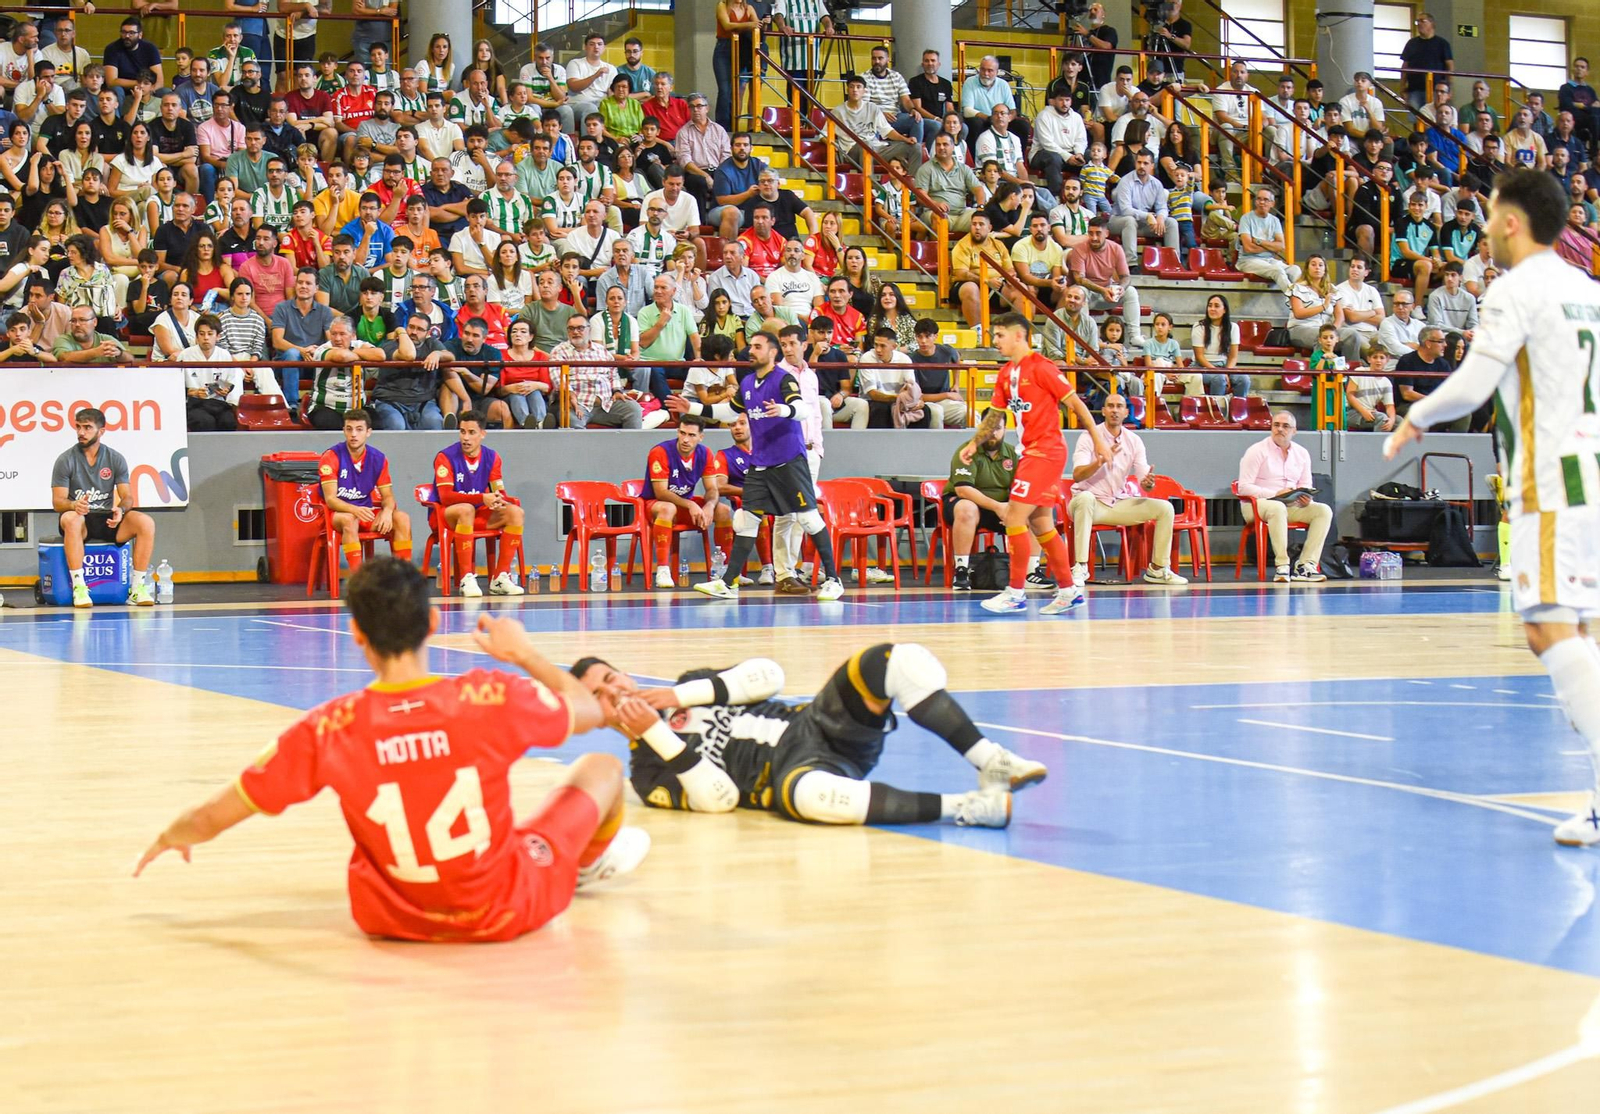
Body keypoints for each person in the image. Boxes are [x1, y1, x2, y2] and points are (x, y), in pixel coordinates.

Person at [136, 558, 647, 938]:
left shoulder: (329, 727)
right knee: (601, 767)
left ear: (357, 633)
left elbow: (210, 818)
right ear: (432, 624)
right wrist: (523, 651)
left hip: (392, 920)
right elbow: (586, 707)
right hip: (505, 909)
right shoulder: (489, 695)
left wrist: (170, 835)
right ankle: (583, 868)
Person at [1379, 169, 1600, 845]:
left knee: (1546, 628)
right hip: (1590, 470)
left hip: (1553, 481)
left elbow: (1474, 384)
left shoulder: (1516, 288)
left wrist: (1415, 414)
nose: (1481, 228)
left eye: (1488, 214)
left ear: (1510, 220)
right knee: (1582, 633)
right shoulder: (1587, 291)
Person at [574, 644, 1034, 828]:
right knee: (808, 798)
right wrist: (655, 733)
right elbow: (720, 799)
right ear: (594, 713)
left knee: (886, 662)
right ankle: (970, 807)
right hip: (796, 774)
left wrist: (681, 694)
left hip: (817, 724)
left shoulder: (689, 685)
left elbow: (770, 674)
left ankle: (991, 759)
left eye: (612, 677)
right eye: (599, 692)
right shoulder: (647, 773)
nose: (614, 690)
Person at [665, 331, 846, 602]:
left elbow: (803, 409)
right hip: (760, 465)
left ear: (772, 353)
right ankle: (728, 583)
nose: (751, 350)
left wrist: (784, 410)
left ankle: (833, 579)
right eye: (751, 346)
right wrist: (691, 406)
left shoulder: (784, 379)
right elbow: (730, 411)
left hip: (789, 462)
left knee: (808, 518)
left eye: (758, 347)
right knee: (746, 521)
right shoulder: (748, 382)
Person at [962, 313, 1110, 615]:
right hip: (1029, 452)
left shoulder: (1042, 368)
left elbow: (1077, 404)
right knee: (1041, 523)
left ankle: (1015, 593)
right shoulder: (1006, 374)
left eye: (1000, 335)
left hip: (1047, 452)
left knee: (1014, 519)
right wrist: (974, 443)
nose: (995, 341)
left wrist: (1098, 439)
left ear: (1019, 336)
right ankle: (1069, 591)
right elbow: (994, 416)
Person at [1066, 393, 1186, 586]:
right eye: (1110, 406)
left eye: (1119, 406)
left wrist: (1148, 483)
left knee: (1165, 508)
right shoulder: (1089, 436)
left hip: (1117, 503)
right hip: (1088, 503)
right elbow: (1077, 475)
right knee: (1086, 497)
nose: (1114, 410)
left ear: (1126, 412)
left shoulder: (1134, 440)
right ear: (1103, 411)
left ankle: (1157, 568)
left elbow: (1143, 478)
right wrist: (1099, 461)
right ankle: (1080, 567)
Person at [49, 406, 156, 608]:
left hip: (107, 517)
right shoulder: (65, 459)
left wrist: (120, 510)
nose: (81, 432)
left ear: (101, 431)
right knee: (71, 518)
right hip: (80, 518)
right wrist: (74, 504)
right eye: (78, 427)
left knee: (145, 522)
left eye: (87, 427)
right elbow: (57, 503)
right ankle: (79, 588)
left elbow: (127, 497)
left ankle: (137, 589)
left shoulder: (115, 458)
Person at [431, 412, 526, 598]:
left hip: (478, 514)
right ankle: (466, 578)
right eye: (462, 431)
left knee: (516, 513)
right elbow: (445, 497)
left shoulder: (492, 457)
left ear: (482, 434)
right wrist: (482, 498)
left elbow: (499, 489)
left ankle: (500, 578)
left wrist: (499, 500)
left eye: (471, 432)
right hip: (447, 516)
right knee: (466, 509)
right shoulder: (445, 457)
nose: (466, 438)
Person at [1236, 410, 1331, 582]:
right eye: (1276, 425)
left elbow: (1306, 484)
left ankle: (1305, 565)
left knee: (1323, 510)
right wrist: (1274, 494)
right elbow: (1243, 488)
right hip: (1257, 505)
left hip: (1290, 505)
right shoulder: (1257, 450)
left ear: (1294, 431)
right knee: (1277, 506)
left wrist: (1305, 497)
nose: (1280, 429)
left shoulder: (1302, 453)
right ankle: (1282, 565)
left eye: (1285, 426)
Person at [645, 415, 734, 589]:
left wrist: (709, 506)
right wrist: (691, 505)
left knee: (722, 509)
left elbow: (712, 489)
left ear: (701, 437)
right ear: (677, 432)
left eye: (692, 435)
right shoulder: (660, 452)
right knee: (668, 508)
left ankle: (725, 571)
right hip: (655, 505)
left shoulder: (705, 453)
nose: (685, 439)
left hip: (684, 504)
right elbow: (661, 492)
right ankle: (663, 570)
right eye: (682, 433)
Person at [943, 413, 1019, 591]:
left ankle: (1032, 571)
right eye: (988, 428)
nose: (993, 433)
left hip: (1000, 507)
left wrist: (1014, 508)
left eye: (998, 429)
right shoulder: (967, 451)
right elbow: (963, 490)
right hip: (963, 503)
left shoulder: (1013, 454)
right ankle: (961, 570)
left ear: (1005, 430)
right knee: (967, 508)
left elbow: (1019, 488)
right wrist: (998, 507)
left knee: (1033, 510)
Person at [178, 312, 244, 431]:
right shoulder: (185, 355)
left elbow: (231, 380)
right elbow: (175, 386)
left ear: (218, 336)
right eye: (202, 334)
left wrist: (226, 389)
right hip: (194, 404)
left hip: (219, 403)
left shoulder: (225, 355)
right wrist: (193, 392)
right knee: (205, 421)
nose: (206, 338)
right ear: (197, 336)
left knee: (228, 421)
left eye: (210, 334)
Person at [1235, 187, 1301, 292]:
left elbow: (1281, 246)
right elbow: (1248, 248)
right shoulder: (1246, 218)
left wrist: (1258, 241)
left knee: (1295, 270)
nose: (1262, 202)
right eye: (1259, 199)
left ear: (1272, 204)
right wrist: (1271, 247)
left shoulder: (1275, 221)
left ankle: (1289, 293)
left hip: (1269, 260)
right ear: (1255, 202)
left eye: (1265, 200)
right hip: (1248, 260)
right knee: (1277, 270)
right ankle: (1293, 298)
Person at [1399, 13, 1453, 112]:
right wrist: (1402, 87)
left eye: (1422, 21)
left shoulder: (1442, 44)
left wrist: (1449, 88)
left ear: (1431, 23)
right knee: (1416, 117)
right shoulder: (1412, 43)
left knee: (1435, 116)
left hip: (1436, 90)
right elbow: (1404, 66)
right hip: (1414, 89)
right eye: (1417, 21)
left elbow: (1450, 67)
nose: (1419, 24)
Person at [1346, 347, 1398, 431]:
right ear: (1369, 359)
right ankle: (1376, 444)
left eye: (1382, 358)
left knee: (1399, 421)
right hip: (1353, 412)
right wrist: (1364, 411)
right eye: (1375, 357)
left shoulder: (1386, 382)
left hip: (1372, 413)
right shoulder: (1359, 371)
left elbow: (1389, 406)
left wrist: (1392, 420)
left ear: (1387, 360)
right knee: (1382, 418)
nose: (1378, 360)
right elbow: (1350, 395)